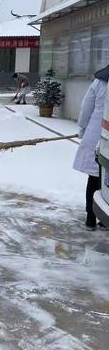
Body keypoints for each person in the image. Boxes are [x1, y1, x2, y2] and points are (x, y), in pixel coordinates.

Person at [73, 65, 109, 230]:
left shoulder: (99, 83)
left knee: (95, 178)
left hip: (98, 134)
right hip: (102, 135)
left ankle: (90, 217)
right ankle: (104, 217)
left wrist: (82, 127)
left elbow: (86, 107)